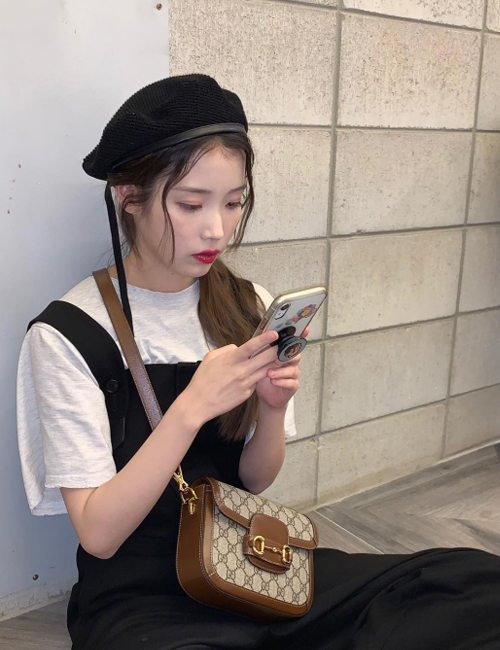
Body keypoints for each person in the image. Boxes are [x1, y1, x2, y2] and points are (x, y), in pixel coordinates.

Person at [16, 74, 500, 650]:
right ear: (129, 195)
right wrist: (190, 409)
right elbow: (99, 535)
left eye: (233, 202)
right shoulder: (69, 334)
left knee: (470, 583)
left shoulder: (247, 304)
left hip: (247, 561)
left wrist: (272, 409)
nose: (217, 229)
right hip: (140, 596)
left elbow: (254, 479)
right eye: (191, 204)